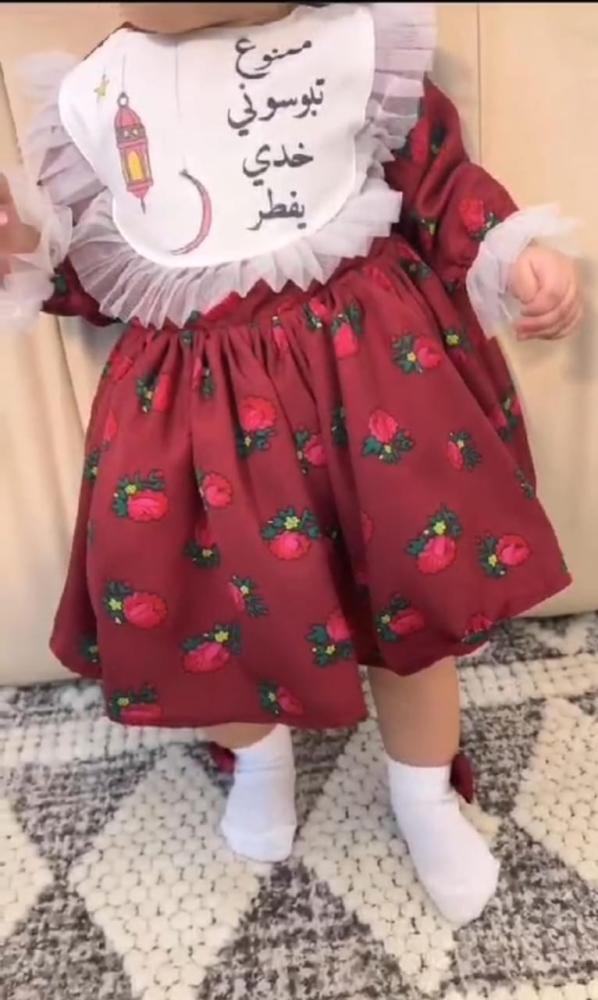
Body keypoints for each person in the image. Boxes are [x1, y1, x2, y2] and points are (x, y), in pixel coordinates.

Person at [0, 2, 582, 926]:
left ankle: (423, 794)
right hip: (197, 417)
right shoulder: (103, 98)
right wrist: (26, 246)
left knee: (412, 610)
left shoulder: (356, 48)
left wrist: (510, 253)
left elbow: (437, 181)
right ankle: (259, 760)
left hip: (374, 388)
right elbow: (102, 275)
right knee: (212, 614)